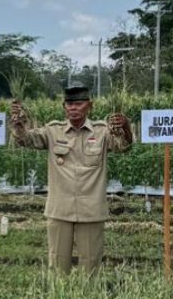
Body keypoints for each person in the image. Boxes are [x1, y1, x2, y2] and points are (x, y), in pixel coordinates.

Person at [10, 84, 132, 272]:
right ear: (64, 107)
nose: (73, 108)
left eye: (79, 103)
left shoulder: (101, 131)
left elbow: (123, 146)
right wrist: (19, 123)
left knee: (91, 265)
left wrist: (126, 128)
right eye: (69, 104)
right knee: (57, 265)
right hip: (60, 210)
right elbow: (25, 139)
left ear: (89, 106)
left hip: (91, 210)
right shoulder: (52, 131)